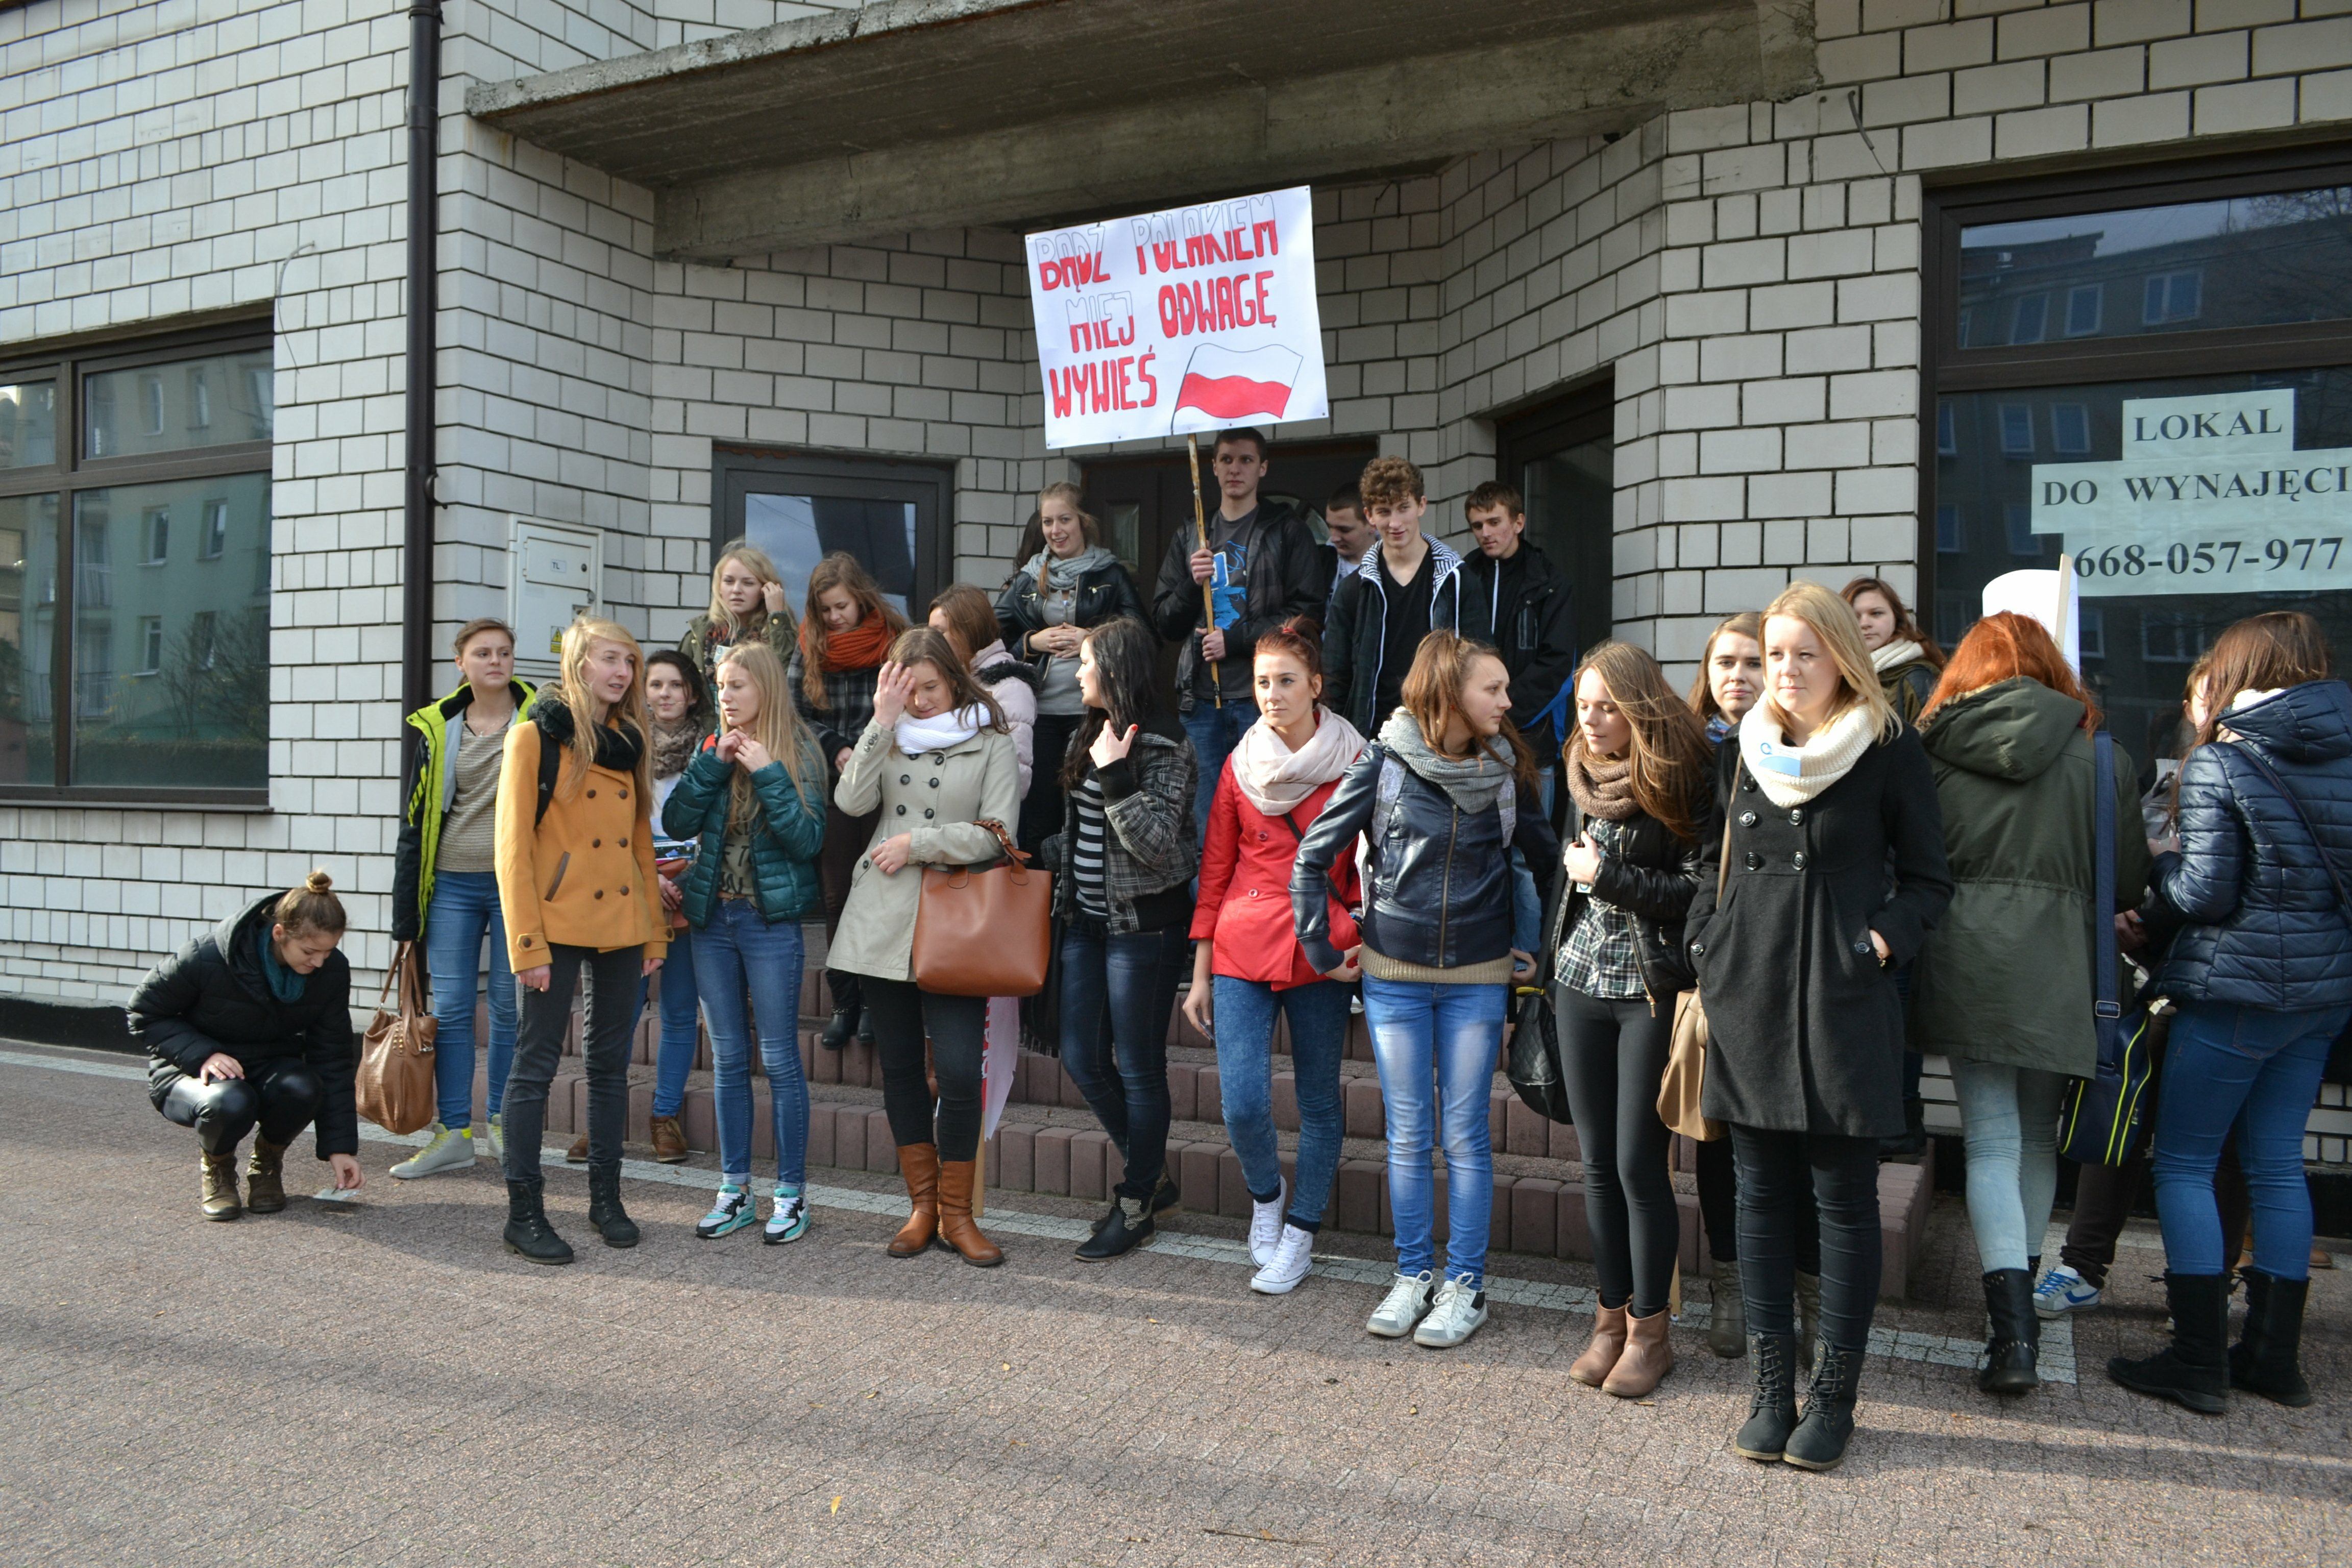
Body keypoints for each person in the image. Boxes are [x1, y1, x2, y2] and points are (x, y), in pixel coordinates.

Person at [1683, 580, 1950, 1472]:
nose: (1786, 670)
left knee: (1842, 1204)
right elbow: (1709, 865)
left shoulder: (1888, 746)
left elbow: (1930, 880)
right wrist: (1708, 944)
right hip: (1749, 997)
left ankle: (1833, 1398)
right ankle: (1771, 1394)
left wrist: (1877, 943)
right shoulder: (1742, 750)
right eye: (1775, 654)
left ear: (1842, 657)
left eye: (1805, 652)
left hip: (1843, 1005)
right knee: (1757, 1198)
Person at [2110, 611, 2352, 1413]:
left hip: (2238, 993)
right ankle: (2273, 1360)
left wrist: (2157, 886)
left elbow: (2206, 891)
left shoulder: (2224, 758)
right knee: (2277, 1162)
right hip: (2323, 994)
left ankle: (2196, 1362)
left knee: (2184, 1162)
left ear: (2244, 671)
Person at [1293, 631, 1558, 1350]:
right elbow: (1313, 858)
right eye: (1493, 689)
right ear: (1449, 693)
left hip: (1477, 980)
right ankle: (1413, 1275)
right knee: (1409, 1135)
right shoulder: (1382, 763)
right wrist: (1321, 949)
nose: (1507, 702)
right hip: (1394, 980)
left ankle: (1465, 1286)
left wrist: (1538, 951)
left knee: (1465, 1135)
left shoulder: (1506, 771)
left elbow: (1549, 863)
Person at [1910, 613, 2147, 1395]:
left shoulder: (1933, 745)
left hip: (1967, 961)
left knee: (1990, 1141)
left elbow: (1911, 860)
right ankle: (2019, 1316)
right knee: (2038, 1139)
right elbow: (2127, 881)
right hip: (2063, 967)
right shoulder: (2102, 753)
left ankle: (2010, 1334)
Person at [1550, 642, 1717, 1400]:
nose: (1591, 720)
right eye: (1584, 705)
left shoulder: (1683, 776)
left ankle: (1652, 1333)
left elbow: (1696, 890)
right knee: (1594, 1163)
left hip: (1649, 987)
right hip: (1578, 978)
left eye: (1607, 707)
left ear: (1640, 706)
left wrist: (1608, 876)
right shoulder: (1579, 770)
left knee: (1636, 1165)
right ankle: (1608, 1322)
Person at [1183, 618, 1365, 1295]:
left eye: (1286, 681)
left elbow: (1371, 868)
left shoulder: (1356, 762)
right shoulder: (1241, 763)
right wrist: (1199, 973)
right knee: (1241, 1102)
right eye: (1262, 682)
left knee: (1318, 1098)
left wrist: (1358, 942)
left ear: (1315, 686)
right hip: (1241, 939)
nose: (1272, 694)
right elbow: (1216, 869)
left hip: (1324, 947)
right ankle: (1267, 1197)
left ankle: (1301, 1234)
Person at [829, 628, 1021, 1267]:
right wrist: (880, 722)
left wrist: (920, 844)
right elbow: (851, 800)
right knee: (903, 1068)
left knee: (961, 1070)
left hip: (956, 922)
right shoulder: (889, 733)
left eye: (930, 688)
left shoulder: (991, 740)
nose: (920, 701)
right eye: (908, 691)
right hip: (883, 920)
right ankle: (923, 1208)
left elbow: (999, 835)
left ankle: (959, 1216)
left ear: (954, 678)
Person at [493, 618, 668, 1265]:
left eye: (630, 661)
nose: (622, 673)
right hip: (555, 921)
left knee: (609, 1066)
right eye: (609, 659)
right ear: (579, 664)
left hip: (621, 924)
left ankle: (605, 1199)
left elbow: (642, 846)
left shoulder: (630, 741)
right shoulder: (534, 737)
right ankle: (524, 1212)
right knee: (534, 1065)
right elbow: (511, 849)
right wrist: (527, 945)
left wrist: (654, 930)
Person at [1682, 611, 1822, 1362]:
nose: (1737, 676)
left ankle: (1809, 1295)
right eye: (1724, 664)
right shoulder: (1699, 753)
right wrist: (1703, 943)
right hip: (1726, 972)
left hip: (1800, 971)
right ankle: (1730, 1288)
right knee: (1720, 1141)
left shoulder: (1805, 747)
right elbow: (1703, 861)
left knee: (1797, 1143)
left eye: (1751, 662)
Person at [660, 642, 829, 1244]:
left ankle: (791, 1195)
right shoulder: (713, 746)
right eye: (721, 686)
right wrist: (713, 765)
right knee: (729, 1058)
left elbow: (808, 840)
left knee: (780, 1059)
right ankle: (735, 1190)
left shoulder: (800, 750)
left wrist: (768, 773)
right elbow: (677, 823)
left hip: (769, 924)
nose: (725, 696)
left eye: (737, 685)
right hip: (713, 921)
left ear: (765, 688)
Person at [1048, 617, 1199, 1261]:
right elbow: (1082, 832)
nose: (1077, 672)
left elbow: (1156, 845)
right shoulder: (1088, 731)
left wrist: (1116, 774)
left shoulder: (1165, 744)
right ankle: (1154, 1176)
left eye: (1086, 662)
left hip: (1144, 928)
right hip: (1086, 921)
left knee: (1138, 1067)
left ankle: (1137, 1201)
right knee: (1081, 1056)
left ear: (1115, 669)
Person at [390, 618, 536, 1178]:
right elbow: (414, 821)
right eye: (482, 653)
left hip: (513, 885)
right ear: (461, 663)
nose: (495, 661)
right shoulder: (439, 726)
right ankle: (454, 1133)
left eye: (504, 652)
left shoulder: (540, 718)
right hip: (450, 882)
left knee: (507, 1006)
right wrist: (406, 916)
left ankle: (502, 1123)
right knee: (450, 1010)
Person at [131, 872, 363, 1219]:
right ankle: (218, 1167)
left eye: (328, 952)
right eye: (310, 951)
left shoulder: (331, 972)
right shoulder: (206, 956)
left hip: (268, 1067)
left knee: (304, 1086)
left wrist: (340, 1148)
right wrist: (204, 1054)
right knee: (230, 1101)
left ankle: (267, 1163)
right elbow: (144, 1013)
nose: (318, 962)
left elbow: (332, 1055)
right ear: (279, 933)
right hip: (191, 1072)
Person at [1151, 428, 1331, 839]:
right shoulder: (1191, 534)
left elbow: (1307, 612)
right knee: (1208, 828)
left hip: (1265, 701)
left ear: (1262, 468)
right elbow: (1164, 622)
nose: (1236, 469)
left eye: (1246, 460)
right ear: (1213, 467)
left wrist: (1235, 641)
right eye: (1227, 460)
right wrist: (1190, 584)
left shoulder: (1286, 530)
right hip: (1202, 702)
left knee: (1266, 823)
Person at [788, 552, 911, 1052]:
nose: (834, 617)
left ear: (861, 599)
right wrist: (836, 747)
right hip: (833, 786)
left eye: (841, 606)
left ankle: (876, 1005)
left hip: (889, 785)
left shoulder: (895, 639)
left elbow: (913, 706)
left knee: (880, 892)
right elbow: (795, 715)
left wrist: (868, 749)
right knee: (838, 895)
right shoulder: (808, 646)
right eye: (825, 610)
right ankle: (845, 1004)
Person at [1844, 574, 1946, 1159]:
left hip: (1895, 864)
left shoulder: (1915, 678)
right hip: (1860, 863)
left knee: (1895, 1004)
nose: (1865, 623)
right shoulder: (1840, 679)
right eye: (1855, 614)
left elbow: (1919, 776)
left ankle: (1903, 1123)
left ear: (1898, 621)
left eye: (1876, 613)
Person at [1458, 480, 1579, 953]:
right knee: (1479, 854)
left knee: (1528, 858)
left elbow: (1557, 665)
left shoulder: (1551, 582)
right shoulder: (1463, 577)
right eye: (1477, 526)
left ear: (1519, 522)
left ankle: (1527, 963)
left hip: (1532, 742)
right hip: (1471, 742)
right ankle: (1486, 955)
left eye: (1495, 522)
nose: (1486, 533)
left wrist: (1503, 713)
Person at [993, 485, 1143, 843]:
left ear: (1083, 522)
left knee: (1086, 807)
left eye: (1064, 520)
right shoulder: (1028, 577)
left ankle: (1078, 879)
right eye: (1048, 522)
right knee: (1041, 812)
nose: (1055, 530)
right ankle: (1041, 880)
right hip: (1040, 711)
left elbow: (1142, 634)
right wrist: (1031, 642)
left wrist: (1093, 638)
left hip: (1091, 712)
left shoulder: (1110, 574)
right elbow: (990, 635)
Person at [1323, 456, 1467, 737]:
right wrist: (1339, 739)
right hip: (1371, 734)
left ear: (1421, 505)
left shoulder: (1457, 580)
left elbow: (1477, 663)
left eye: (1404, 508)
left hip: (1440, 732)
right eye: (1384, 511)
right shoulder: (1353, 589)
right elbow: (1335, 677)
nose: (1395, 523)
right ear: (1370, 516)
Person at [636, 648, 713, 1164]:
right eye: (656, 684)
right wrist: (648, 879)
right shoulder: (627, 744)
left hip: (689, 888)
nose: (665, 694)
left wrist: (683, 878)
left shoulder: (710, 748)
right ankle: (601, 1117)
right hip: (633, 891)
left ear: (691, 694)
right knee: (619, 1012)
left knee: (680, 1012)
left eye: (675, 685)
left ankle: (665, 1117)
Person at [933, 583, 1041, 796]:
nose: (932, 641)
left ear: (967, 631)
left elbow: (1016, 777)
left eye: (940, 633)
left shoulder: (1011, 688)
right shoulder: (947, 680)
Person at [680, 540, 796, 688]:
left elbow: (785, 681)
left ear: (765, 589)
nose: (736, 590)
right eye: (729, 581)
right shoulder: (698, 636)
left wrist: (777, 616)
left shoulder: (778, 632)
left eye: (748, 583)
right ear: (719, 587)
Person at [1322, 482, 1372, 618]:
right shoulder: (1320, 562)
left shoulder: (1392, 568)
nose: (1334, 538)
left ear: (1372, 523)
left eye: (1344, 530)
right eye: (1330, 527)